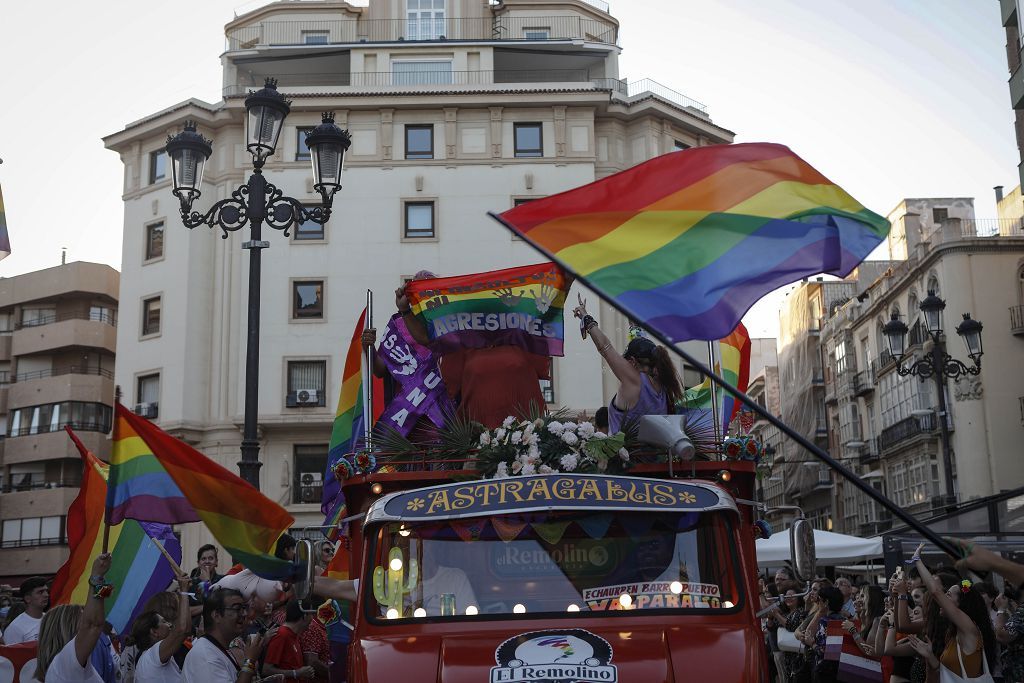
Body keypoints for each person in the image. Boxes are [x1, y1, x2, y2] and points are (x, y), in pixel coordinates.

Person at [397, 282, 552, 429]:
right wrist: (405, 309)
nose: (491, 318)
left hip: (528, 435)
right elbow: (427, 338)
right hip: (478, 438)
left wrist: (565, 281)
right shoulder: (464, 344)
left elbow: (548, 315)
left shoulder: (523, 340)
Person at [573, 297, 682, 434]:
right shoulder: (664, 386)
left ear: (632, 362)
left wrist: (586, 318)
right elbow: (643, 345)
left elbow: (605, 348)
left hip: (626, 454)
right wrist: (633, 321)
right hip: (655, 454)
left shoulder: (635, 380)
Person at [906, 542, 997, 681]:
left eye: (948, 594)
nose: (943, 597)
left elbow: (935, 592)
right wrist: (929, 655)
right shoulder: (954, 632)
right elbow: (947, 673)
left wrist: (917, 560)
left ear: (961, 604)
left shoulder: (969, 627)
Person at [34, 553, 112, 682]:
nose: (86, 622)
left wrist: (103, 583)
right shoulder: (65, 662)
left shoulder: (67, 664)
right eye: (83, 620)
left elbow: (99, 616)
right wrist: (97, 576)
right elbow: (93, 625)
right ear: (66, 627)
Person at [182, 588, 275, 683]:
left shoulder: (217, 648)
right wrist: (250, 661)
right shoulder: (206, 657)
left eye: (244, 608)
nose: (244, 614)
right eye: (237, 608)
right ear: (217, 615)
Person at [131, 571, 192, 682]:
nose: (169, 625)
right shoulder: (154, 654)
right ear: (154, 632)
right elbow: (183, 630)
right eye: (164, 622)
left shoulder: (148, 656)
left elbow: (184, 629)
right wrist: (184, 591)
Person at [262, 600, 315, 680]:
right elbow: (266, 670)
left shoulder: (294, 635)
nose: (312, 618)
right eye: (311, 614)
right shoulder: (281, 635)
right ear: (304, 616)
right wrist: (296, 673)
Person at [4, 576, 49, 644]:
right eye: (40, 592)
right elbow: (11, 653)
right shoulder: (15, 627)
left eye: (46, 591)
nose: (46, 595)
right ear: (28, 599)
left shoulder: (50, 619)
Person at [189, 544, 223, 630]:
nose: (207, 561)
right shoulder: (190, 584)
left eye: (211, 558)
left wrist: (207, 583)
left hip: (217, 629)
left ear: (216, 562)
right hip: (192, 633)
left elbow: (221, 605)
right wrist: (206, 607)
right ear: (198, 563)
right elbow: (185, 611)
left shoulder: (223, 581)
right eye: (203, 559)